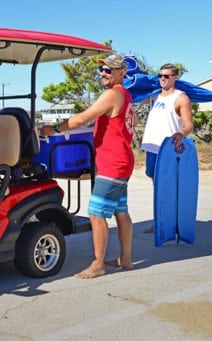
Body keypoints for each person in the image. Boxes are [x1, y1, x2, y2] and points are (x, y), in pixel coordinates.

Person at [40, 53, 135, 279]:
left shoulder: (113, 94)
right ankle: (126, 259)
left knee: (95, 213)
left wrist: (53, 129)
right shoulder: (126, 95)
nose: (103, 73)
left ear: (121, 73)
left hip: (114, 163)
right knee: (120, 210)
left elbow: (82, 118)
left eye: (108, 70)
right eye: (101, 69)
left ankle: (98, 264)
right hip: (121, 160)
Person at [140, 64, 193, 233]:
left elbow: (189, 125)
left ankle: (173, 223)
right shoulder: (154, 96)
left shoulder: (181, 98)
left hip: (168, 150)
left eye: (166, 76)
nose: (162, 78)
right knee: (157, 185)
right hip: (152, 147)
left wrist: (181, 133)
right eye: (160, 75)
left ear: (175, 78)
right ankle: (161, 221)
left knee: (169, 186)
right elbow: (132, 97)